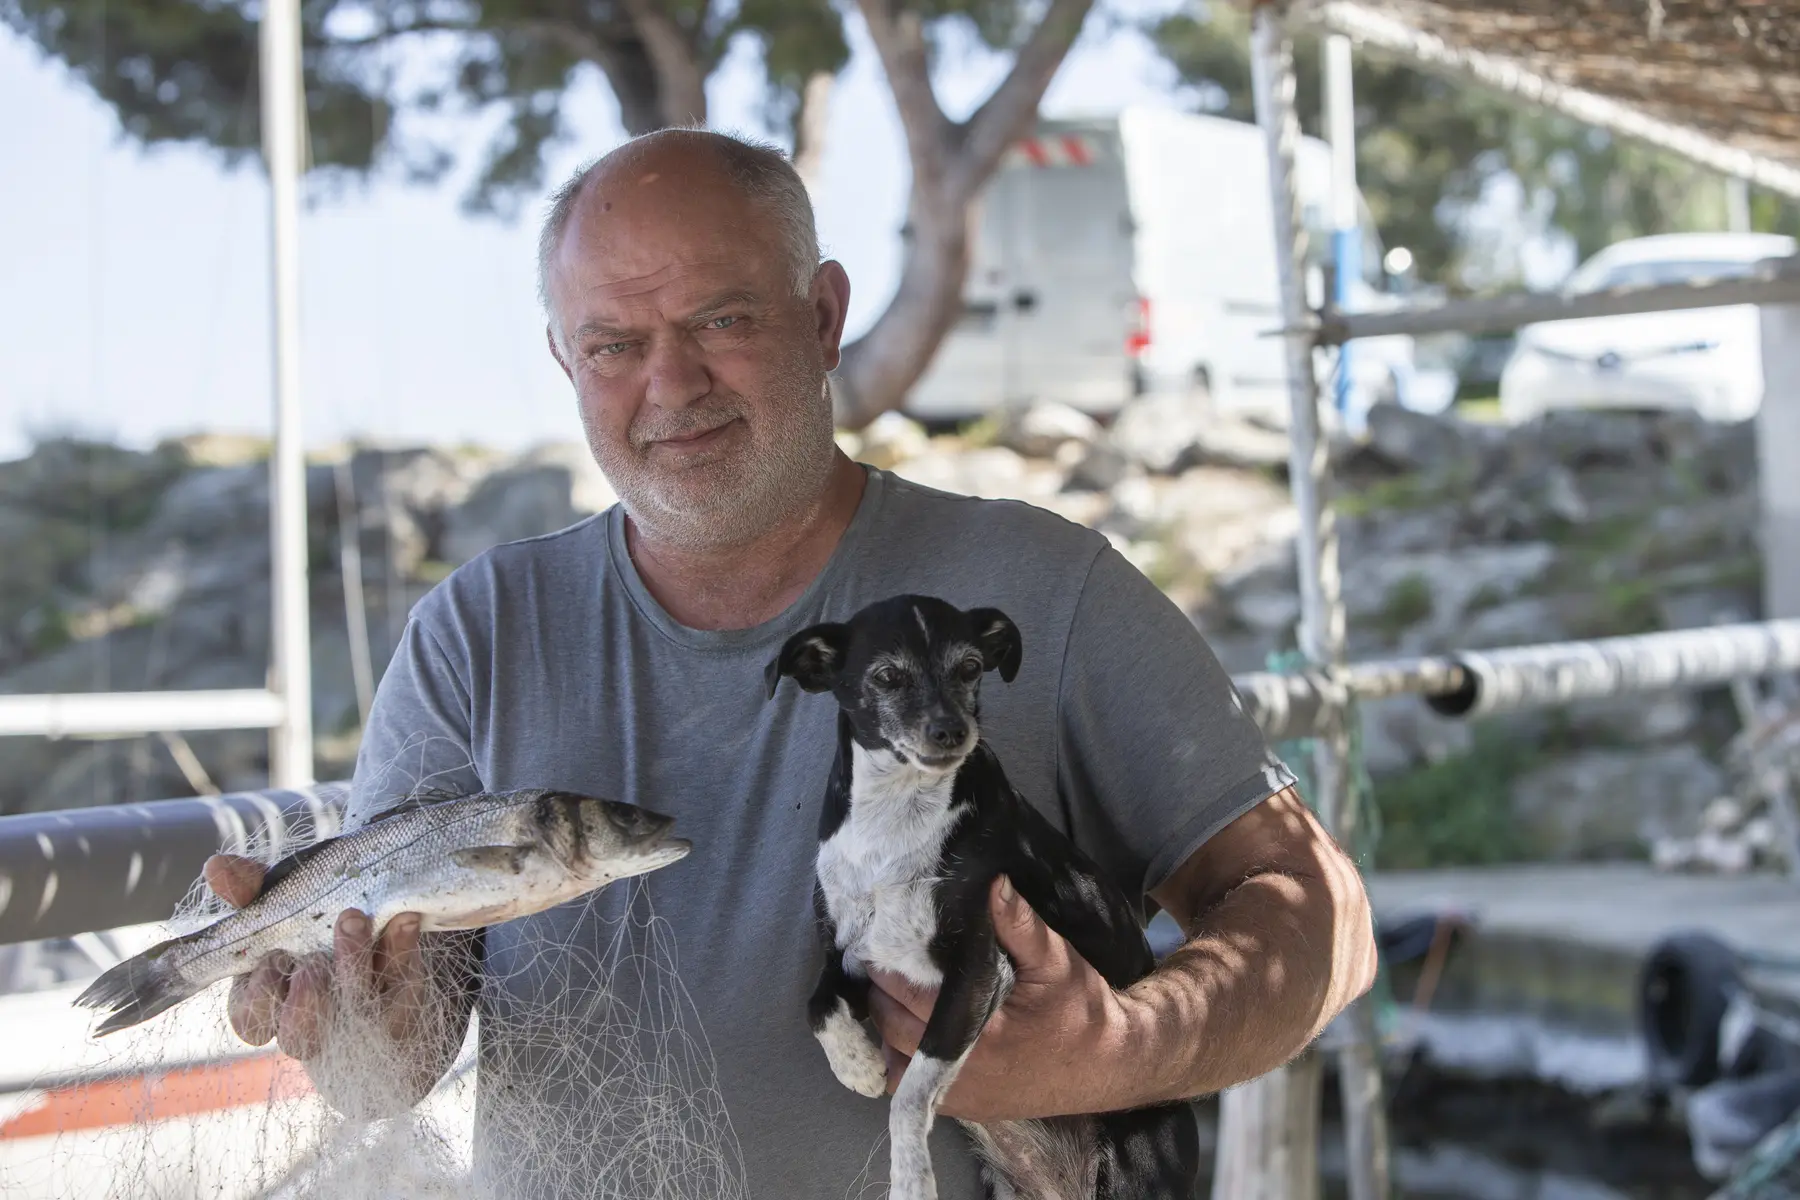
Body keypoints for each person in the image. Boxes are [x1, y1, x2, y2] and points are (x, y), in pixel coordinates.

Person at [203, 127, 1377, 1196]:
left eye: (721, 320)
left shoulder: (1041, 587)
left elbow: (1322, 914)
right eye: (615, 343)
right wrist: (348, 1017)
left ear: (822, 317)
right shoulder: (476, 632)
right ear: (565, 363)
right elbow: (390, 1060)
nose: (671, 386)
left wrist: (1121, 1046)